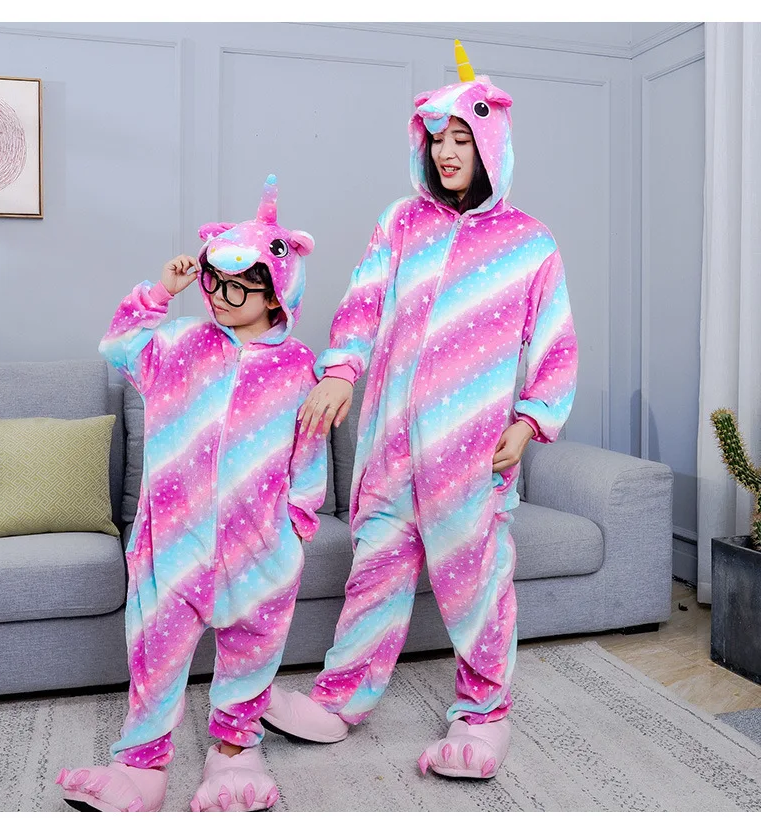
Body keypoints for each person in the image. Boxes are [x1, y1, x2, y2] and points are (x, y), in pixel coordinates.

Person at [262, 42, 578, 781]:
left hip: (472, 452)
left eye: (461, 137)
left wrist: (529, 421)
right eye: (436, 139)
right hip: (390, 445)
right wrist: (341, 370)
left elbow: (556, 343)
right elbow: (364, 304)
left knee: (476, 583)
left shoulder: (529, 243)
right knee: (374, 571)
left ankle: (483, 713)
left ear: (490, 143)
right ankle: (341, 700)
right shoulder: (402, 223)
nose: (446, 152)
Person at [56, 175, 326, 811]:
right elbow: (118, 345)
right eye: (214, 283)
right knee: (155, 652)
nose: (221, 298)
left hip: (260, 546)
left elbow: (308, 450)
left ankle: (234, 755)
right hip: (173, 543)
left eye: (239, 287)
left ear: (276, 292)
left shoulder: (298, 367)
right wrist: (160, 294)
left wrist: (296, 523)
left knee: (252, 653)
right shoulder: (180, 344)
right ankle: (141, 768)